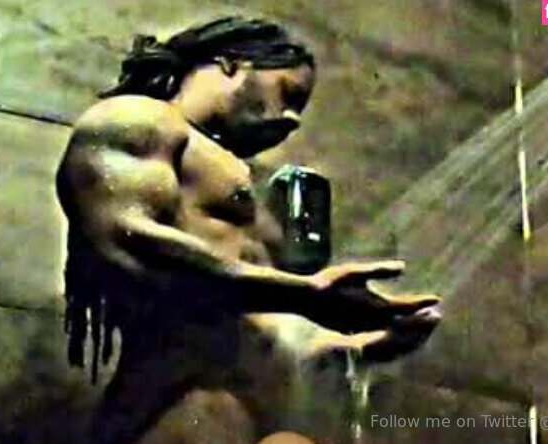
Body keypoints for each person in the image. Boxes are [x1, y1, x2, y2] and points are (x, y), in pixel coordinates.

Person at [55, 16, 441, 444]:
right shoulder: (139, 117)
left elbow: (261, 329)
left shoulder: (240, 190)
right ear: (231, 65)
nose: (292, 119)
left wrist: (367, 344)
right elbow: (126, 243)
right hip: (175, 417)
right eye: (288, 94)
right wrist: (305, 293)